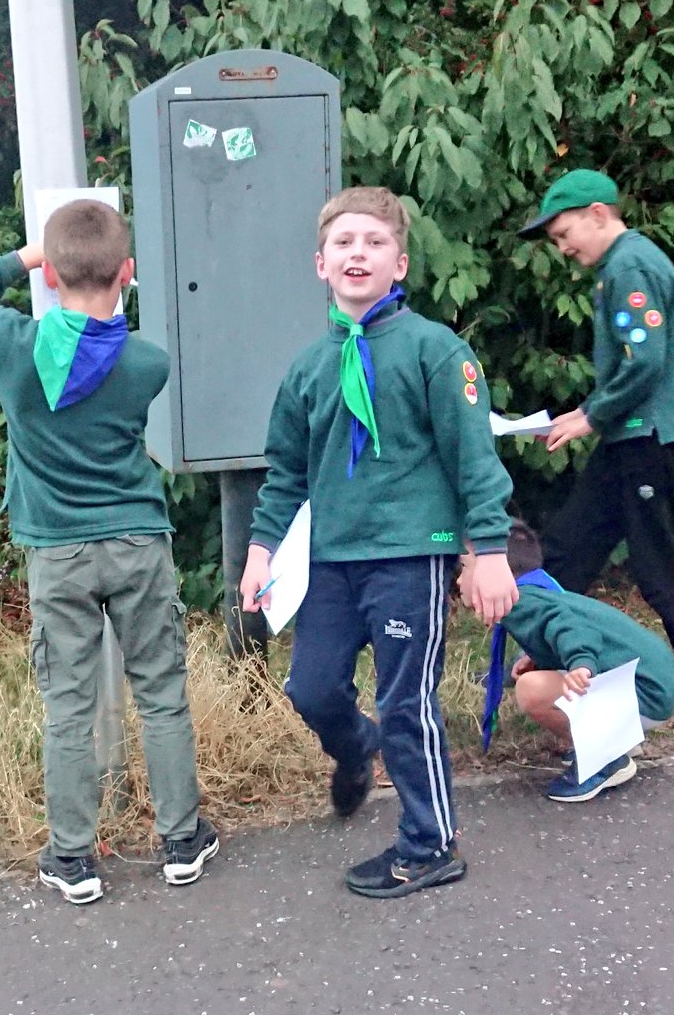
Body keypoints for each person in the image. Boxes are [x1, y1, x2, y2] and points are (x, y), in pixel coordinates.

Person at [239, 186, 518, 899]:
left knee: (405, 703)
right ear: (319, 264)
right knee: (310, 687)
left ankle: (429, 844)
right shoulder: (307, 368)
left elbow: (472, 457)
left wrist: (487, 550)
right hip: (331, 560)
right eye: (343, 243)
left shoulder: (433, 350)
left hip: (408, 553)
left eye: (372, 243)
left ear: (399, 264)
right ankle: (354, 746)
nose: (356, 253)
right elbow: (285, 474)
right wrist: (261, 551)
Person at [0, 200, 217, 905]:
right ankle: (181, 841)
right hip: (136, 543)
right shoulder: (145, 364)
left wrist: (26, 258)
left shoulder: (12, 348)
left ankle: (72, 858)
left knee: (67, 706)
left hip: (57, 554)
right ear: (126, 272)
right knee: (160, 693)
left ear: (51, 275)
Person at [517, 168, 674, 709]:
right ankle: (545, 655)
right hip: (630, 434)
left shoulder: (630, 265)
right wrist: (590, 414)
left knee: (650, 553)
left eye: (564, 234)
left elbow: (644, 361)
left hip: (650, 435)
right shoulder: (620, 266)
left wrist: (591, 416)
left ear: (598, 214)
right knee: (573, 542)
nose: (564, 248)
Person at [459, 520, 674, 802]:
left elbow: (572, 626)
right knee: (533, 676)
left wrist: (581, 663)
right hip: (652, 683)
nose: (458, 579)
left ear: (497, 572)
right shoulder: (535, 591)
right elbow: (555, 626)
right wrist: (537, 657)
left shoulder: (521, 602)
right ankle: (616, 740)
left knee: (532, 690)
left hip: (647, 692)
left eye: (465, 567)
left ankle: (606, 758)